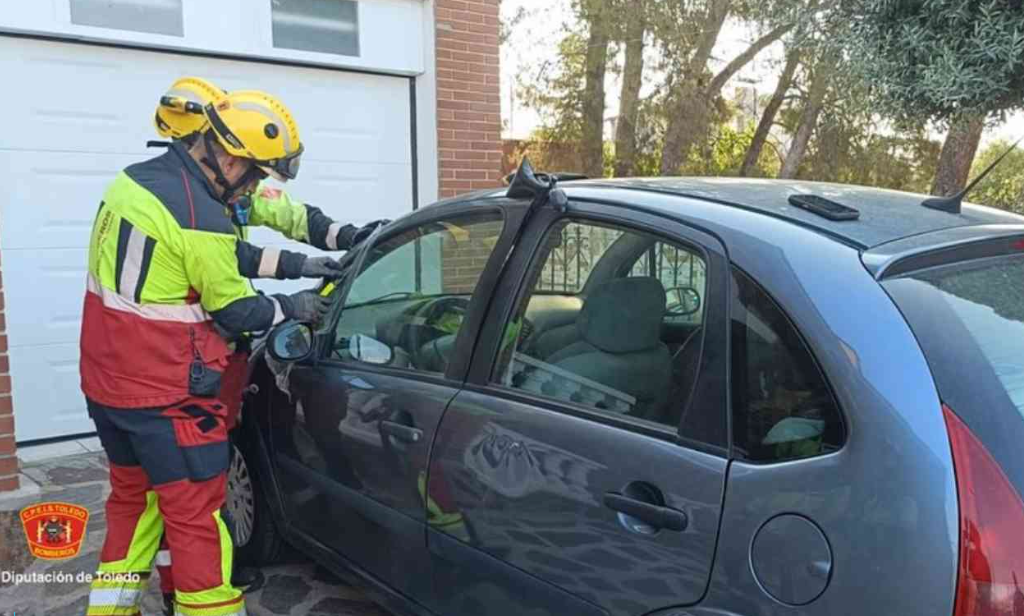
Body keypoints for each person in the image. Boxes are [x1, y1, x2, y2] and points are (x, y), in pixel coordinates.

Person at [80, 88, 342, 616]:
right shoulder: (200, 214)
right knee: (196, 515)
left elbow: (219, 253)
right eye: (257, 173)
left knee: (136, 503)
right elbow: (238, 312)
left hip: (109, 387)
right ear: (228, 158)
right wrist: (298, 307)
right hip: (166, 397)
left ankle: (112, 608)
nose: (258, 186)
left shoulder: (137, 182)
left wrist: (302, 265)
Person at [148, 77, 388, 614]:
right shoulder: (188, 204)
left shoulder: (225, 187)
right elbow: (231, 280)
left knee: (211, 465)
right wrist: (292, 301)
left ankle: (209, 561)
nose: (251, 182)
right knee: (187, 488)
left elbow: (289, 217)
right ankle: (186, 586)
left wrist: (349, 238)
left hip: (213, 357)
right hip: (187, 363)